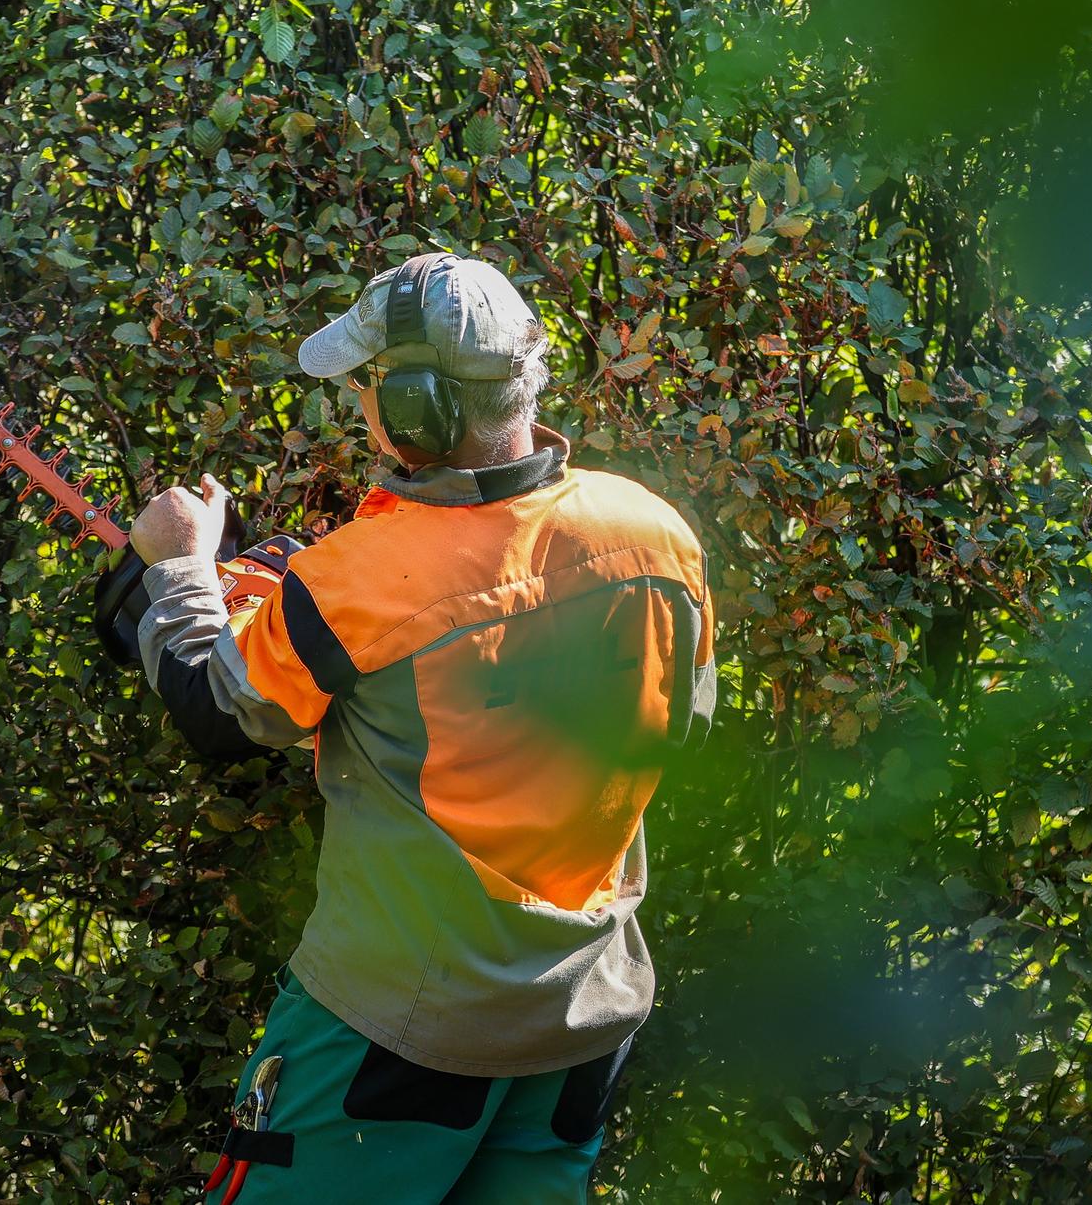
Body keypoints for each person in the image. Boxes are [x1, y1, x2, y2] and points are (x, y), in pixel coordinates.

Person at [125, 252, 716, 1203]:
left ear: (415, 411)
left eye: (369, 386)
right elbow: (680, 724)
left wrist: (182, 570)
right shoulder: (654, 533)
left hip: (392, 1030)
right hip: (584, 1016)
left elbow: (217, 711)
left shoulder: (354, 579)